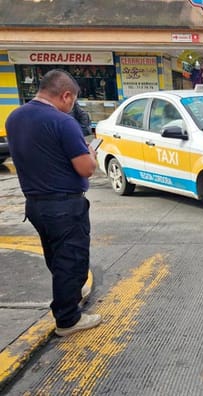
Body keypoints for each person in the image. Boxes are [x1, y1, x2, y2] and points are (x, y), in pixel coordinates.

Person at [5, 69, 102, 337]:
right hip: (64, 206)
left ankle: (69, 294)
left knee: (56, 256)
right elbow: (85, 168)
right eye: (72, 101)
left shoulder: (15, 117)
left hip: (35, 205)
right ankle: (68, 319)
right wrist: (91, 153)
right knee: (71, 259)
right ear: (66, 95)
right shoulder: (63, 122)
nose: (71, 107)